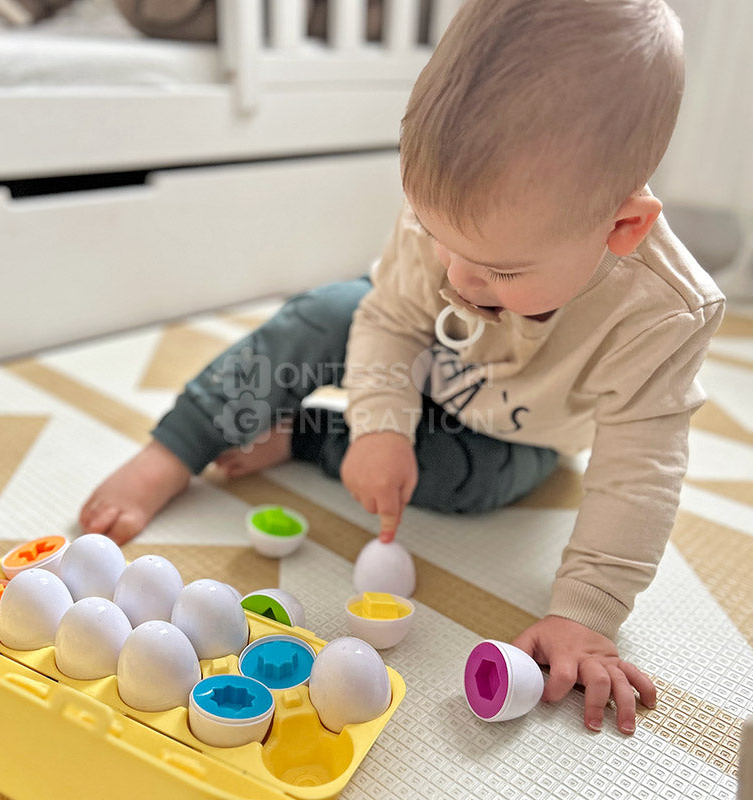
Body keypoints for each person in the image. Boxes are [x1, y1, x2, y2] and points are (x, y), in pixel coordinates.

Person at [80, 0, 725, 735]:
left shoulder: (663, 314)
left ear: (621, 228)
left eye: (497, 269)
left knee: (477, 483)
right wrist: (381, 426)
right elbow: (388, 320)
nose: (457, 274)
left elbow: (638, 472)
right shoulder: (449, 221)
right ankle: (177, 447)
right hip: (420, 357)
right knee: (326, 314)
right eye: (438, 236)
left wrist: (585, 614)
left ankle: (310, 439)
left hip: (518, 432)